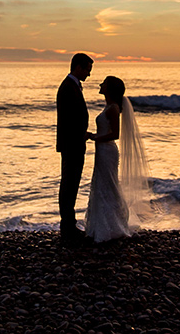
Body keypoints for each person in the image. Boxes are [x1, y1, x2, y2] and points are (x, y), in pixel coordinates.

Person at [84, 76, 150, 244]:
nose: (101, 84)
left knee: (109, 186)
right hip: (102, 152)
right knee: (101, 185)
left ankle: (113, 225)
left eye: (104, 83)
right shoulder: (109, 106)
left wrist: (94, 137)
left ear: (110, 88)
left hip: (107, 151)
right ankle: (101, 224)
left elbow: (115, 134)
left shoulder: (113, 109)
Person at [56, 52, 93, 244]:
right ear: (78, 67)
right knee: (69, 185)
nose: (89, 74)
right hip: (72, 145)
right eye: (87, 69)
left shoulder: (72, 86)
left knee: (71, 184)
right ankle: (68, 228)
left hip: (74, 143)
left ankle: (69, 225)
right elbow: (69, 120)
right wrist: (80, 136)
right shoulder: (68, 87)